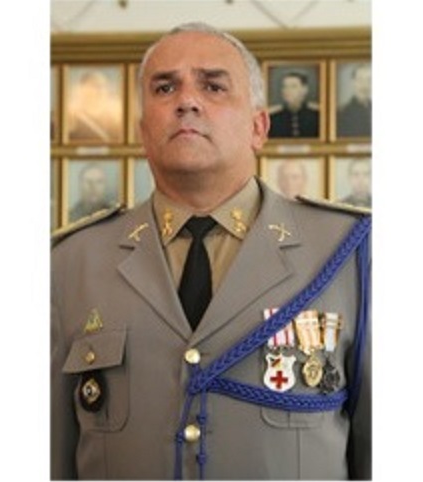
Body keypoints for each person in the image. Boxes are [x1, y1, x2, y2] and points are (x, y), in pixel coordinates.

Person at [52, 22, 371, 480]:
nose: (186, 100)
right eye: (165, 87)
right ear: (143, 131)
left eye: (213, 86)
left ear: (258, 127)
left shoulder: (350, 253)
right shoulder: (70, 263)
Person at [68, 70, 122, 143]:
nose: (100, 90)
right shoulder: (71, 119)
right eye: (94, 86)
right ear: (83, 90)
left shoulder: (116, 121)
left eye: (103, 86)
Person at [269, 71, 319, 138]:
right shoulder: (274, 118)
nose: (287, 90)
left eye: (293, 86)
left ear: (304, 90)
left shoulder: (316, 116)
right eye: (285, 86)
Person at [337, 63, 371, 137]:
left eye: (369, 80)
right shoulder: (343, 114)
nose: (365, 85)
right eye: (360, 80)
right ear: (353, 82)